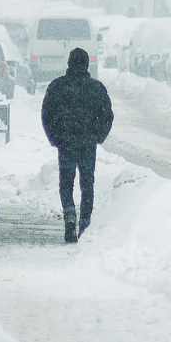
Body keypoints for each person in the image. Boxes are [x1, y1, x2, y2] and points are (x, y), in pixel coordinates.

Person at [42, 48, 114, 243]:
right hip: (87, 144)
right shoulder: (96, 88)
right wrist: (98, 136)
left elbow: (47, 114)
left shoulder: (57, 86)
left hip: (65, 143)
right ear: (87, 64)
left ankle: (69, 215)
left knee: (66, 183)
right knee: (87, 184)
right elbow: (107, 115)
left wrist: (54, 137)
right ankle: (84, 222)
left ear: (69, 63)